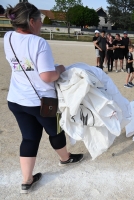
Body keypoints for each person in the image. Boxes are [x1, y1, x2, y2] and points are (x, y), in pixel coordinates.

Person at [3, 2, 83, 194]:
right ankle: (65, 158)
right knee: (55, 131)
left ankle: (26, 180)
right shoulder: (38, 42)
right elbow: (47, 76)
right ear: (31, 21)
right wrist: (60, 69)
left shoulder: (8, 37)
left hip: (16, 99)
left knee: (29, 138)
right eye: (40, 20)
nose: (41, 23)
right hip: (41, 101)